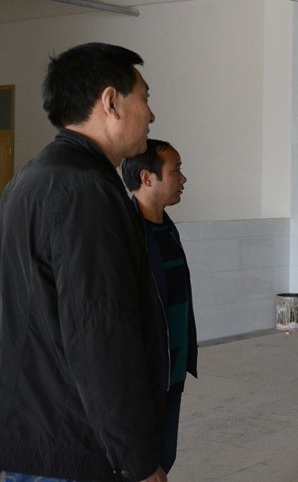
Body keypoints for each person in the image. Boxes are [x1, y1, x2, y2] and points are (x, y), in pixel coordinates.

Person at [0, 43, 167, 482]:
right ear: (110, 102)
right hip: (71, 444)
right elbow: (100, 333)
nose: (151, 115)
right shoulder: (86, 190)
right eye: (145, 98)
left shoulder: (29, 178)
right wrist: (138, 456)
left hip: (30, 434)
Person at [121, 140, 198, 474]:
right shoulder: (124, 233)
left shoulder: (167, 228)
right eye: (175, 170)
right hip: (143, 375)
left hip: (172, 368)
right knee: (141, 465)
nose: (183, 178)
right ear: (147, 178)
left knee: (164, 458)